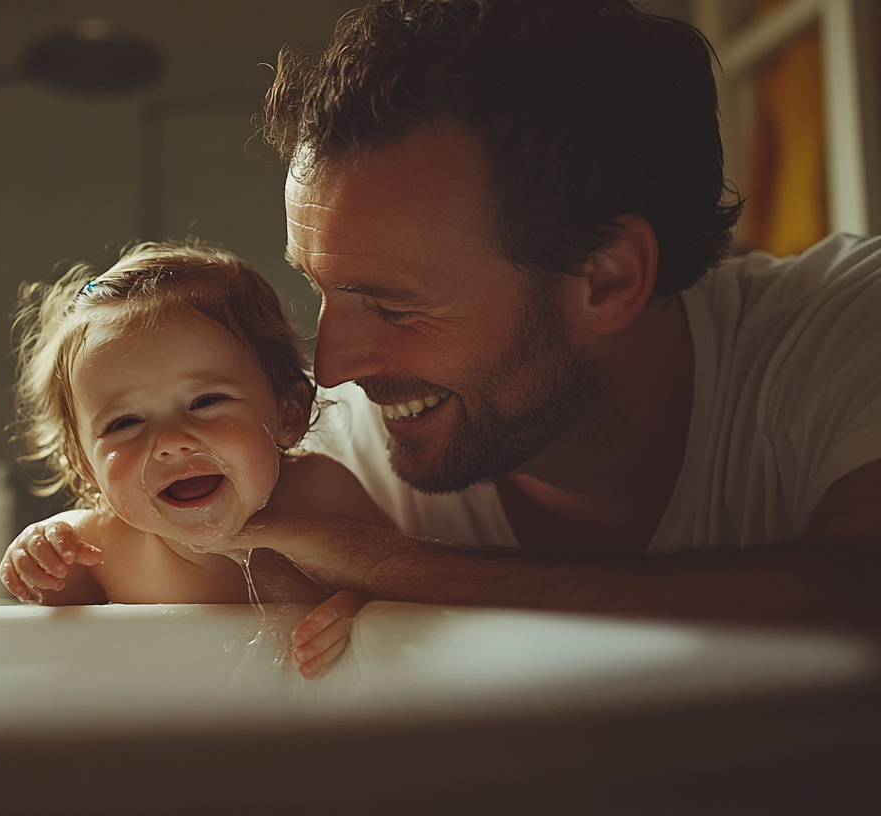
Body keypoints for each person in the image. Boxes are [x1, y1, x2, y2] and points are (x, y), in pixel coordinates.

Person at [205, 0, 881, 630]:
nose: (330, 368)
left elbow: (857, 598)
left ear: (609, 279)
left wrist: (395, 569)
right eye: (322, 289)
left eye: (392, 305)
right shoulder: (336, 455)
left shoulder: (845, 328)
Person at [0, 241, 393, 676]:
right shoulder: (97, 545)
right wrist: (39, 562)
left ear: (289, 411)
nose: (170, 442)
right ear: (83, 464)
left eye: (206, 400)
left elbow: (403, 583)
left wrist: (358, 609)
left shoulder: (323, 494)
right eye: (124, 423)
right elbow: (55, 633)